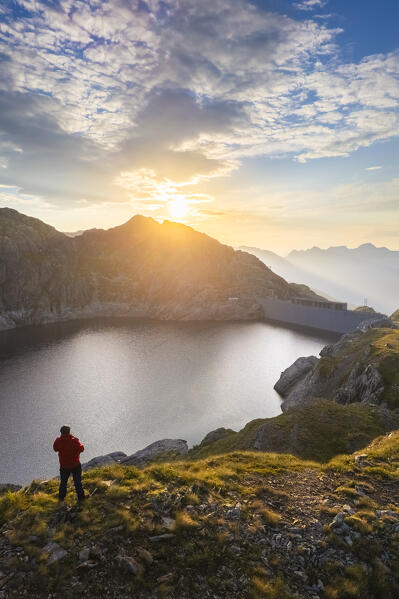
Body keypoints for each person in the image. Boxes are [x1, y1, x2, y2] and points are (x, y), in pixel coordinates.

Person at [53, 425, 85, 501]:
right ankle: (81, 497)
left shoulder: (58, 441)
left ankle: (61, 497)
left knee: (63, 482)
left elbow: (55, 449)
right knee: (77, 481)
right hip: (75, 465)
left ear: (61, 432)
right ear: (69, 431)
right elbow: (82, 449)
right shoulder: (74, 440)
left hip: (64, 466)